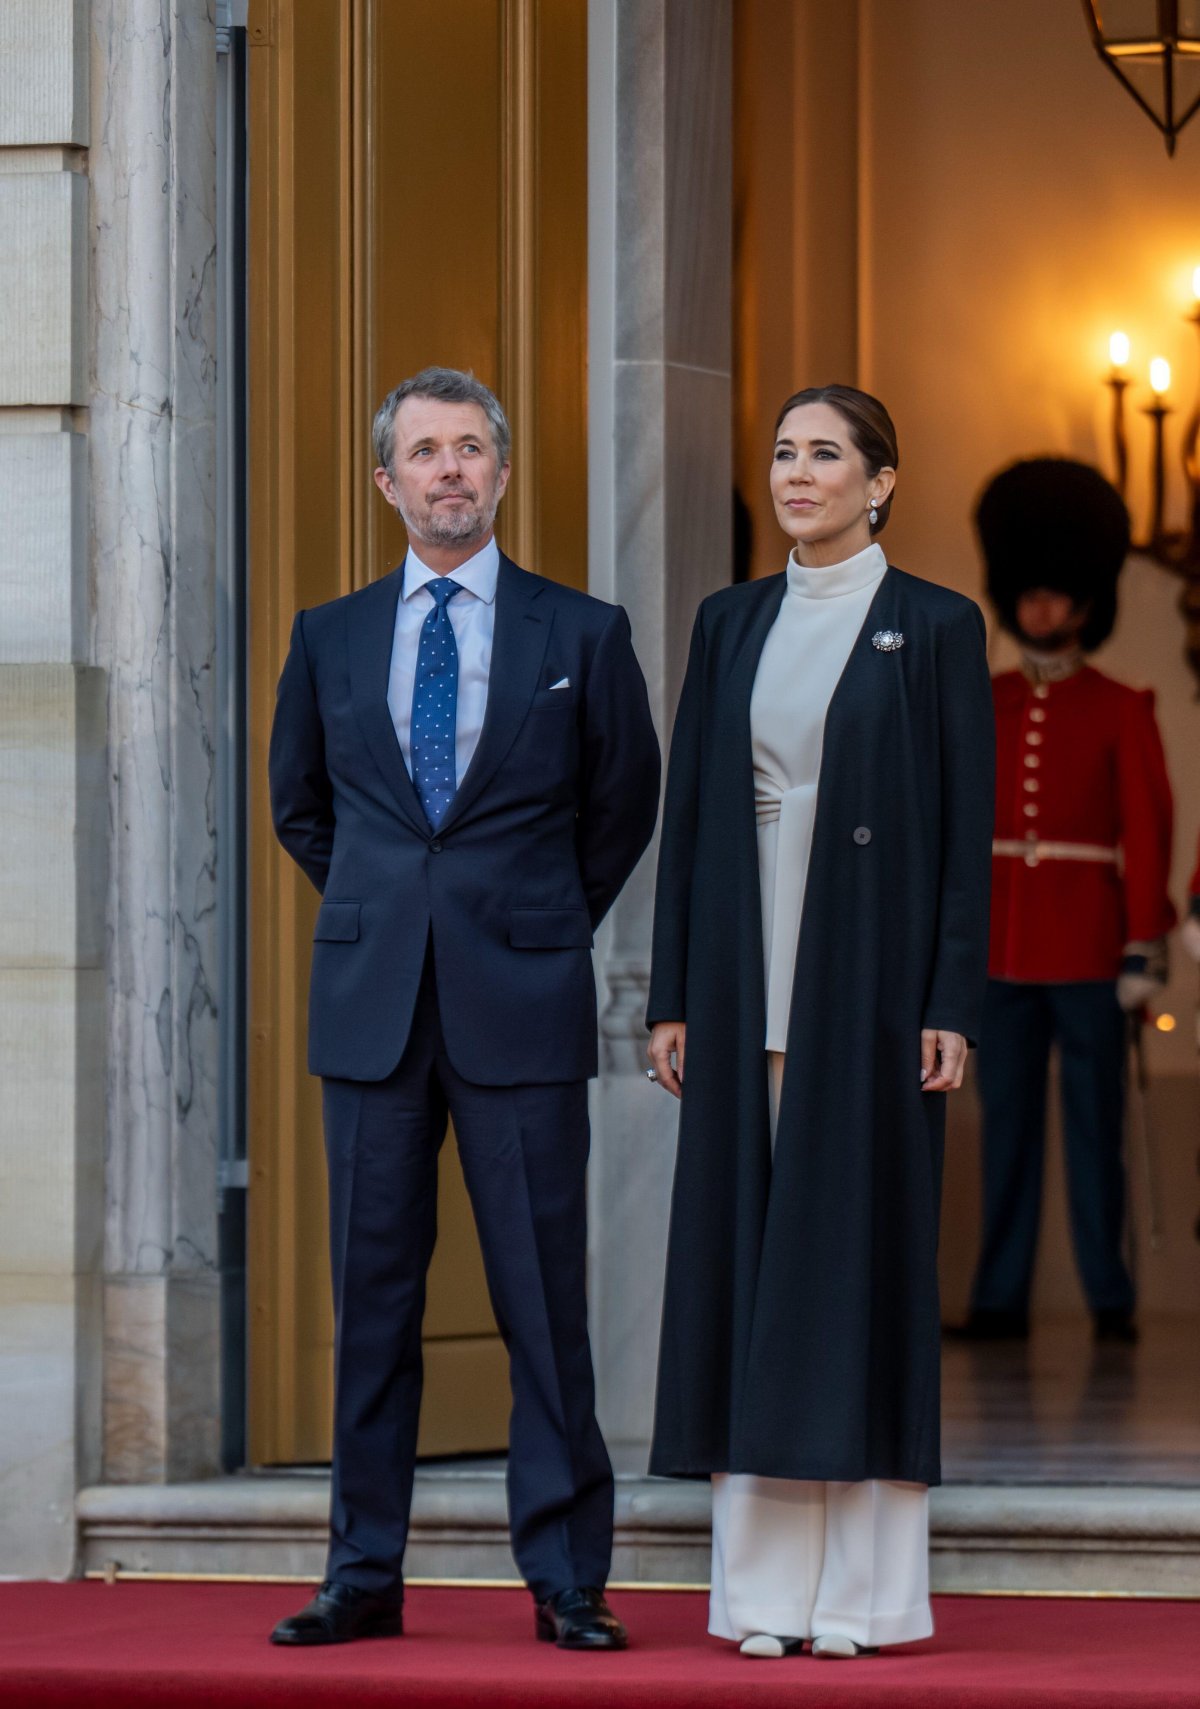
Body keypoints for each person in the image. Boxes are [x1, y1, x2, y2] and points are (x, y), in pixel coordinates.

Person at [268, 367, 660, 1650]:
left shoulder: (583, 634)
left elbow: (622, 806)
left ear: (501, 474)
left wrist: (534, 914)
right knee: (372, 1301)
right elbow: (301, 807)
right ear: (387, 481)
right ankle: (361, 1572)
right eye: (424, 452)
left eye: (471, 449)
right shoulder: (326, 634)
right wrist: (397, 910)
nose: (449, 470)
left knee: (542, 1299)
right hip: (375, 1004)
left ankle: (565, 1576)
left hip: (522, 997)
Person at [646, 385, 994, 1659]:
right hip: (746, 982)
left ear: (882, 481)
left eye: (827, 453)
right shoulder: (728, 619)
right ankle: (763, 1598)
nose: (799, 473)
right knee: (750, 1267)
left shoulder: (937, 626)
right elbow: (689, 819)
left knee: (856, 1265)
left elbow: (968, 840)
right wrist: (674, 991)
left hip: (874, 985)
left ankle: (861, 1598)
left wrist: (953, 999)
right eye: (785, 452)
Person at [956, 458, 1175, 1346]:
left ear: (1086, 602)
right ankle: (999, 1299)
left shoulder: (1123, 706)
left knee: (1096, 1130)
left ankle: (1109, 1294)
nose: (1043, 611)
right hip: (1003, 945)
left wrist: (1143, 945)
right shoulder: (985, 699)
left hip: (1088, 946)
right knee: (1006, 1127)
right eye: (1031, 595)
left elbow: (1147, 830)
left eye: (1059, 596)